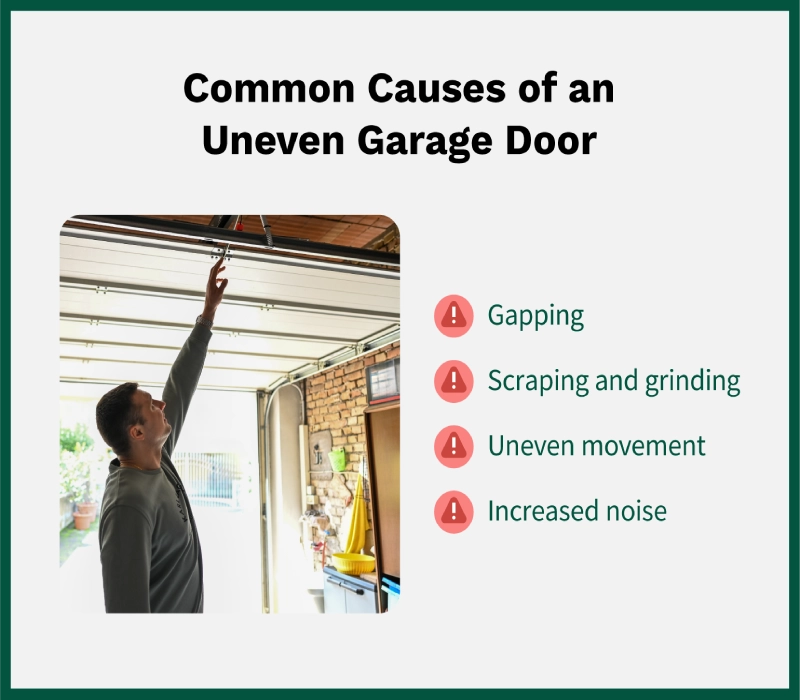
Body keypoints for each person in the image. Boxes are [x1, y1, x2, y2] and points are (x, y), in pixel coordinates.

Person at [95, 256, 229, 613]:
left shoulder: (157, 460)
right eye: (151, 405)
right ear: (137, 431)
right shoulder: (128, 505)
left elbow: (179, 384)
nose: (162, 405)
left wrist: (208, 314)